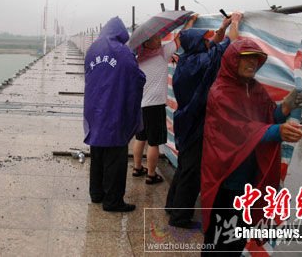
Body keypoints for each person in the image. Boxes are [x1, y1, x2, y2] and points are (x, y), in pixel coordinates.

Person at [201, 40, 302, 255]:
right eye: (246, 57)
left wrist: (286, 106)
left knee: (239, 235)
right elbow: (241, 129)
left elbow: (267, 117)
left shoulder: (254, 88)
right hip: (228, 177)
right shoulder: (220, 91)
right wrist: (278, 131)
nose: (252, 62)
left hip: (250, 173)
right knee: (221, 238)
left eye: (255, 58)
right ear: (233, 60)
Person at [166, 12, 243, 228]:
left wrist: (223, 25)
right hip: (198, 122)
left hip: (185, 120)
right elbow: (231, 45)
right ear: (198, 44)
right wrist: (235, 23)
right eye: (203, 40)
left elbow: (213, 43)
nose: (207, 41)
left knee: (184, 166)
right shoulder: (201, 62)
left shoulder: (186, 59)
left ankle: (172, 205)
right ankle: (179, 217)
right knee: (191, 171)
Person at [84, 16, 146, 212]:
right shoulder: (123, 51)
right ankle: (112, 201)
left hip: (94, 110)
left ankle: (96, 193)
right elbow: (136, 77)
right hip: (113, 111)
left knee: (98, 154)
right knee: (115, 158)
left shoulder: (92, 49)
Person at [131, 16, 196, 185]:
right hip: (155, 105)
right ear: (146, 42)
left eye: (158, 37)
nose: (159, 40)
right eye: (155, 38)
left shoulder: (138, 59)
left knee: (140, 137)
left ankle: (137, 168)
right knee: (154, 142)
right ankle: (151, 175)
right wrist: (190, 22)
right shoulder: (162, 54)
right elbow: (180, 38)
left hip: (141, 105)